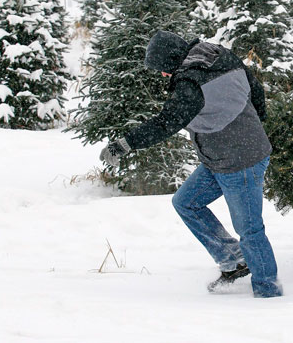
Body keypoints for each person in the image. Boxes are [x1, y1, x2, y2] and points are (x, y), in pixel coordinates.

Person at [99, 30, 282, 297]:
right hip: (219, 157)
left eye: (163, 69)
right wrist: (256, 121)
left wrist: (125, 144)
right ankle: (234, 261)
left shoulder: (189, 85)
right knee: (186, 202)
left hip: (241, 161)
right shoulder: (215, 54)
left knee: (249, 228)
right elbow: (253, 85)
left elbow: (165, 123)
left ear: (172, 59)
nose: (163, 75)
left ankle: (268, 291)